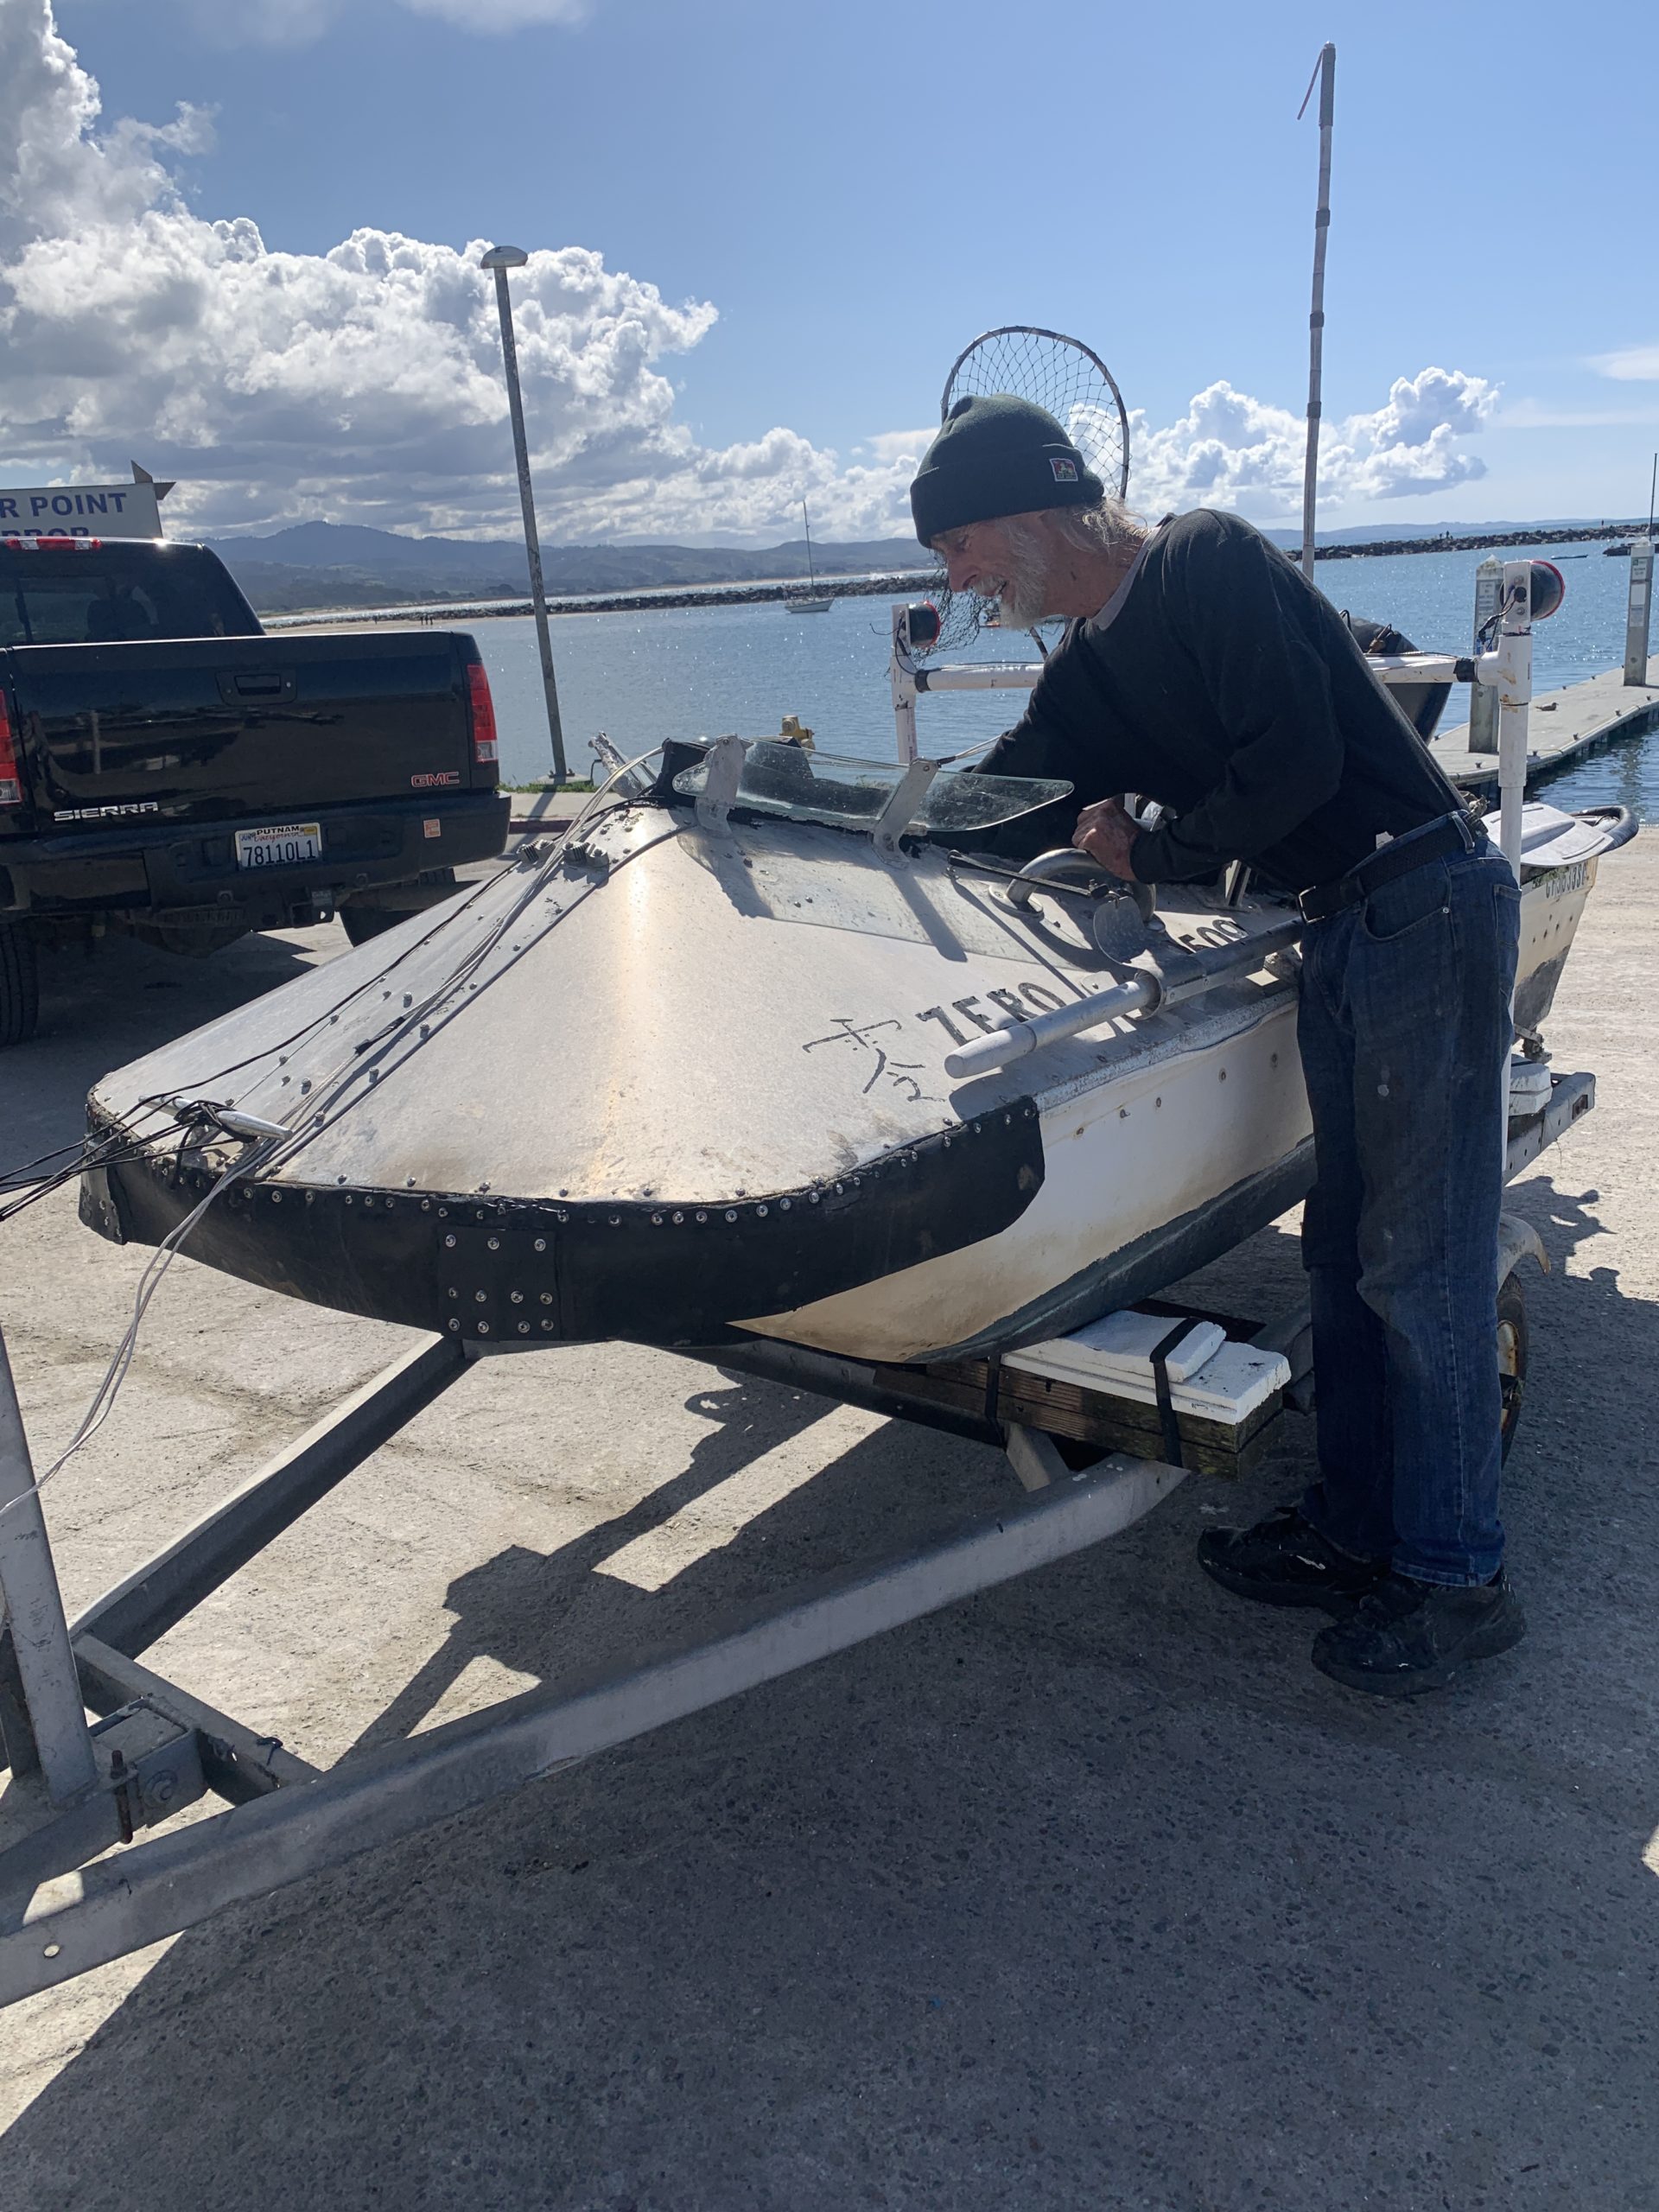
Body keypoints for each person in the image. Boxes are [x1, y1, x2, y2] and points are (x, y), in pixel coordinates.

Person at [908, 393, 1523, 1697]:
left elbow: (1294, 761)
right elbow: (1009, 783)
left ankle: (1459, 1578)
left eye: (958, 546)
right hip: (1348, 929)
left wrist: (1156, 853)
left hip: (1424, 899)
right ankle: (1359, 1531)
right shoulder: (1086, 668)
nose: (954, 581)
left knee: (1423, 1268)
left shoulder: (1205, 560)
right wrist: (861, 815)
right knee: (1352, 1258)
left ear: (1030, 513)